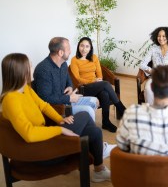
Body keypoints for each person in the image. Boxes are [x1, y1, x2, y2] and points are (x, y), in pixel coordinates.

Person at [1, 53, 110, 183]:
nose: (32, 67)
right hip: (38, 152)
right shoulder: (10, 100)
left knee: (95, 132)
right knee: (85, 115)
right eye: (29, 65)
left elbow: (44, 106)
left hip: (44, 139)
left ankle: (99, 170)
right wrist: (60, 130)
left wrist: (60, 119)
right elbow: (29, 134)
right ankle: (90, 151)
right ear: (20, 71)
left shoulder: (25, 88)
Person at [33, 37, 98, 122]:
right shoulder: (43, 69)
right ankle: (79, 128)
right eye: (69, 49)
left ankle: (82, 125)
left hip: (65, 100)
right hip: (57, 108)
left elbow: (68, 78)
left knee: (95, 101)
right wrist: (68, 99)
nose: (70, 51)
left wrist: (70, 86)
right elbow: (45, 98)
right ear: (60, 52)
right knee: (88, 110)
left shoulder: (63, 64)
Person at [70, 37, 126, 133]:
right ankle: (121, 108)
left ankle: (106, 122)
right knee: (105, 84)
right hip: (84, 88)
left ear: (90, 48)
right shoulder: (74, 60)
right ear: (78, 46)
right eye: (82, 46)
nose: (84, 49)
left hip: (96, 85)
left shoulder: (94, 57)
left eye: (87, 46)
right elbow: (77, 78)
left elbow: (99, 73)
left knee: (105, 93)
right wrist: (93, 80)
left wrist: (98, 80)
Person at [139, 26, 168, 105]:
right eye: (159, 36)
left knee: (166, 91)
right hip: (155, 78)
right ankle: (151, 111)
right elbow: (142, 64)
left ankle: (164, 113)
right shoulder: (153, 49)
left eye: (164, 36)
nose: (161, 38)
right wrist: (152, 71)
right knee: (149, 89)